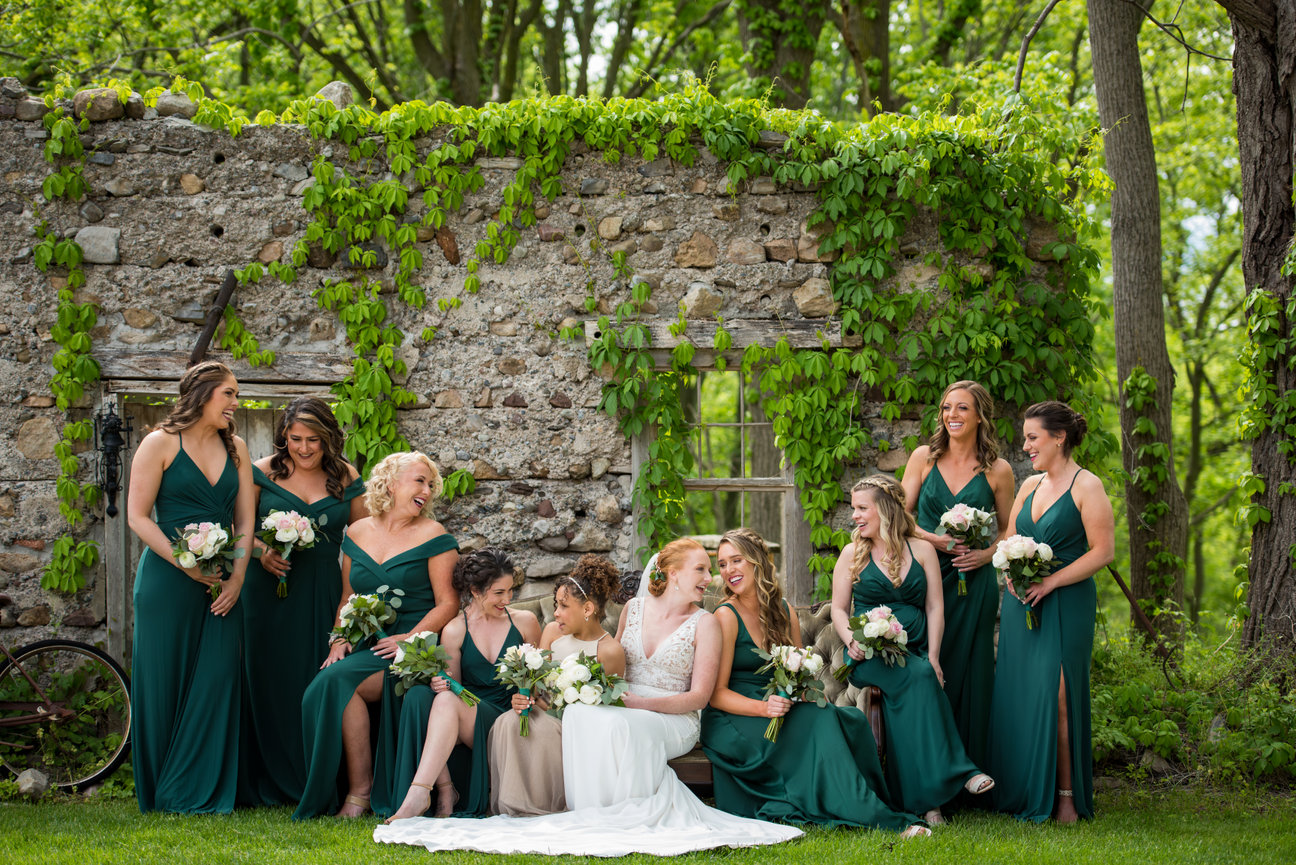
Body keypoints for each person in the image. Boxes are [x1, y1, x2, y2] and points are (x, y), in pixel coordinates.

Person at [374, 538, 803, 855]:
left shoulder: (706, 622)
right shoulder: (634, 610)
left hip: (671, 715)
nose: (710, 579)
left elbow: (698, 697)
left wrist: (633, 702)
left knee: (610, 720)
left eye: (710, 571)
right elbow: (607, 672)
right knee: (586, 716)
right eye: (701, 570)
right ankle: (586, 810)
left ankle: (617, 812)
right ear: (672, 573)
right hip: (621, 704)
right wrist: (582, 693)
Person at [701, 528, 926, 836]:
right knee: (821, 721)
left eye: (736, 560)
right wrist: (764, 708)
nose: (728, 570)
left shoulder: (783, 611)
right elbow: (716, 695)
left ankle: (864, 802)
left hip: (777, 704)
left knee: (848, 720)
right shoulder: (725, 616)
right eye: (722, 564)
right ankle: (881, 820)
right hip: (734, 717)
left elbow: (801, 673)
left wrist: (801, 692)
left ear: (757, 561)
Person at [293, 452, 460, 819]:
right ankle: (356, 789)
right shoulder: (357, 532)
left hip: (415, 647)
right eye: (419, 481)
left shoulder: (434, 535)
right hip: (370, 644)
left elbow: (448, 603)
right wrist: (339, 638)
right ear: (390, 483)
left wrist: (409, 637)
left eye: (431, 484)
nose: (427, 490)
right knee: (327, 685)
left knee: (338, 682)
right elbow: (346, 597)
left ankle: (360, 794)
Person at [126, 360, 255, 813]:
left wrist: (238, 577)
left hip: (222, 581)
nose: (236, 403)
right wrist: (185, 564)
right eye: (229, 394)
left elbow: (245, 519)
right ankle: (163, 788)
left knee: (219, 677)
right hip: (166, 581)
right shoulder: (159, 443)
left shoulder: (236, 446)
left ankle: (204, 785)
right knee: (165, 679)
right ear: (202, 395)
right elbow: (137, 517)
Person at [831, 475, 994, 824]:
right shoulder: (852, 553)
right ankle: (962, 771)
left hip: (915, 651)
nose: (854, 515)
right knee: (921, 676)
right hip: (868, 654)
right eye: (853, 508)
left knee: (915, 690)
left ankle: (928, 805)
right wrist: (851, 641)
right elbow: (839, 610)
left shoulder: (921, 550)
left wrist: (934, 656)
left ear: (886, 509)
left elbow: (935, 606)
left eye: (862, 508)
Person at [987, 401, 1114, 823]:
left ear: (1059, 438)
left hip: (1066, 602)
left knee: (1059, 695)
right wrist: (1010, 573)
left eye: (1032, 438)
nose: (1025, 446)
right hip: (1023, 600)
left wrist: (1052, 581)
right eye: (1025, 438)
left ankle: (1066, 797)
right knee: (1022, 692)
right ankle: (1021, 789)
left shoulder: (1087, 485)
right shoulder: (1029, 485)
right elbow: (1009, 540)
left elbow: (1103, 552)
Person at [238, 397, 367, 805]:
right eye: (296, 439)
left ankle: (317, 774)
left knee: (312, 678)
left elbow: (366, 540)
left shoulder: (346, 476)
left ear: (328, 438)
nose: (305, 448)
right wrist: (262, 552)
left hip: (322, 591)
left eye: (314, 440)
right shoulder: (260, 472)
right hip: (266, 592)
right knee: (267, 678)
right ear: (284, 437)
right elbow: (238, 528)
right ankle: (266, 775)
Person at [901, 380, 1014, 772]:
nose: (952, 415)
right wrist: (935, 540)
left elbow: (1009, 529)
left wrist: (985, 556)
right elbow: (900, 516)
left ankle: (973, 770)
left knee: (973, 670)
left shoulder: (998, 470)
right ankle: (929, 768)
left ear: (980, 415)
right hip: (928, 578)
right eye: (947, 407)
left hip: (975, 582)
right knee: (930, 665)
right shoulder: (923, 458)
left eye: (962, 408)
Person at [384, 549, 542, 820]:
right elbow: (457, 691)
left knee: (445, 701)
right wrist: (441, 684)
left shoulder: (525, 622)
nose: (507, 599)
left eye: (510, 591)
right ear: (475, 591)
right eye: (499, 593)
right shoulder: (455, 630)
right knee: (425, 696)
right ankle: (436, 790)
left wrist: (529, 697)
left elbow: (539, 682)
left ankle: (423, 794)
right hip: (471, 716)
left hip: (511, 715)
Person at [489, 554, 626, 817]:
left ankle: (545, 807)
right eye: (556, 605)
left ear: (587, 609)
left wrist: (557, 709)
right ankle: (515, 807)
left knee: (544, 730)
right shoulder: (552, 631)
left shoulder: (609, 651)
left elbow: (611, 708)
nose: (555, 613)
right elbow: (537, 686)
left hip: (578, 727)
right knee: (508, 721)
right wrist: (524, 697)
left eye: (563, 606)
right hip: (543, 711)